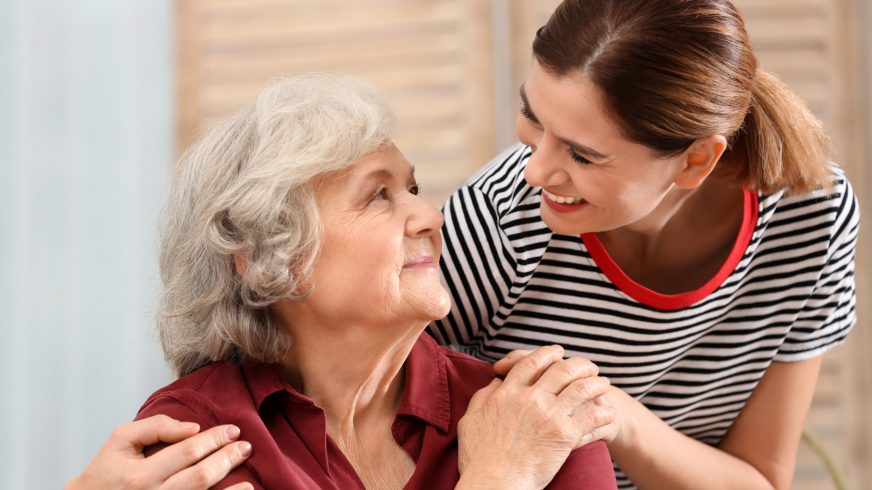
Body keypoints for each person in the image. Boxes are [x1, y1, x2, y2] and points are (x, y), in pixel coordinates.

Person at [69, 73, 617, 490]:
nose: (431, 216)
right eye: (379, 195)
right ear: (265, 256)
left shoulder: (540, 418)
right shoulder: (197, 439)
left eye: (412, 188)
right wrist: (496, 479)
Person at [429, 0, 859, 488]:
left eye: (582, 155)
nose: (535, 172)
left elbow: (759, 479)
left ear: (696, 160)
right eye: (532, 117)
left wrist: (611, 412)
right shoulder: (496, 221)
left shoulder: (811, 215)